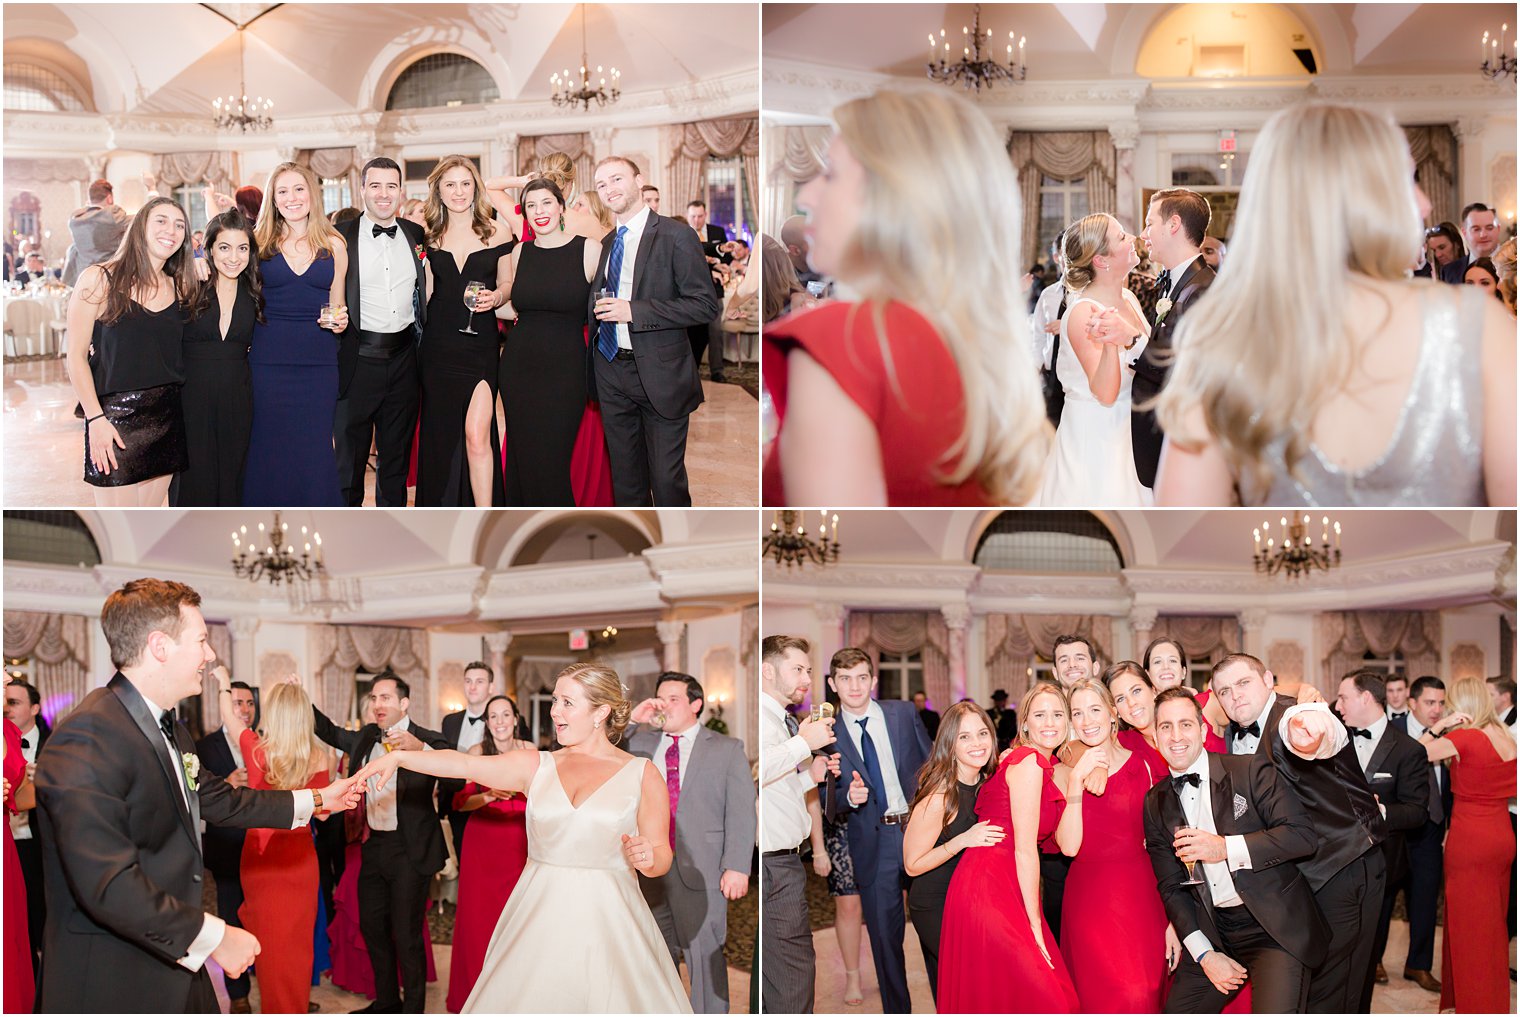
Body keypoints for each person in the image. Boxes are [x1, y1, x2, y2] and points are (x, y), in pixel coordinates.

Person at [1154, 102, 1517, 507]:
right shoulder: (1475, 327)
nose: (1425, 205)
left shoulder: (1221, 343)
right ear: (1359, 196)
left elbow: (1189, 532)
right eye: (1408, 180)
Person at [31, 578, 363, 1013]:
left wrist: (320, 799)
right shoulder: (89, 735)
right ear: (160, 646)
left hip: (175, 962)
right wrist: (215, 936)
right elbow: (106, 885)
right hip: (115, 975)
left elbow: (225, 800)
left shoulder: (173, 729)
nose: (209, 655)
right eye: (202, 640)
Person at [764, 85, 1049, 506]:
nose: (806, 196)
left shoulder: (842, 340)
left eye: (831, 174)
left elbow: (829, 553)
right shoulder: (979, 350)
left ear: (893, 196)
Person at [354, 662, 694, 1013]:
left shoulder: (641, 773)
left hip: (610, 918)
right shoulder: (537, 764)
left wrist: (649, 858)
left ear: (601, 711)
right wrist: (400, 760)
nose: (554, 711)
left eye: (566, 702)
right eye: (554, 700)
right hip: (539, 913)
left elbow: (660, 854)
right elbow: (464, 765)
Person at [1212, 652, 1386, 1012]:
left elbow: (1320, 733)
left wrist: (1312, 729)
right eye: (1225, 690)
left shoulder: (1298, 715)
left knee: (1339, 988)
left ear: (1268, 680)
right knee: (1310, 982)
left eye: (1243, 683)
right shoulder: (1231, 736)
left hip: (1344, 865)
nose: (1235, 696)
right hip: (1300, 875)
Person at [1143, 688, 1328, 1013]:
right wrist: (1204, 953)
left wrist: (1225, 848)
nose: (1176, 736)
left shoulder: (1249, 770)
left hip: (1273, 927)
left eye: (1185, 724)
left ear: (1202, 731)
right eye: (1165, 726)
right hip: (1213, 929)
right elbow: (1171, 887)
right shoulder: (1154, 802)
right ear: (1155, 737)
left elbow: (1302, 836)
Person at [311, 673, 450, 1014]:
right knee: (372, 927)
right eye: (374, 698)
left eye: (385, 698)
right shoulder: (365, 737)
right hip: (374, 847)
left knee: (406, 935)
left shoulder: (427, 739)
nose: (378, 705)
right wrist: (300, 698)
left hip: (410, 850)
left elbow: (456, 769)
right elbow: (329, 731)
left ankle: (413, 1009)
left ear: (404, 703)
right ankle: (388, 1001)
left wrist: (421, 749)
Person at [938, 682, 1080, 1012]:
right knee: (1044, 992)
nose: (1049, 723)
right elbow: (1025, 849)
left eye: (1057, 714)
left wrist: (1076, 780)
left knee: (1014, 995)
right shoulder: (1029, 761)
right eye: (1040, 715)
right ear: (1025, 722)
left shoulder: (1048, 767)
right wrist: (1035, 927)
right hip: (989, 885)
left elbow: (1068, 845)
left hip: (1009, 883)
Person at [590, 156, 720, 506]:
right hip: (611, 370)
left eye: (616, 179)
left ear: (639, 181)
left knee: (666, 481)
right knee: (626, 480)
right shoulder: (606, 244)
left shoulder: (676, 235)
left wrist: (635, 310)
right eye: (601, 184)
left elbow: (705, 305)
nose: (609, 189)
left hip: (661, 374)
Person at [627, 673, 757, 1014]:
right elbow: (601, 756)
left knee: (705, 958)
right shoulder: (640, 744)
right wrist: (631, 721)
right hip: (649, 869)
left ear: (695, 704)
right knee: (655, 957)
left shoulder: (727, 749)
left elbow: (741, 813)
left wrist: (737, 866)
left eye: (673, 698)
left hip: (705, 869)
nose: (664, 705)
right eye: (660, 698)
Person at [821, 648, 932, 1013]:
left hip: (918, 828)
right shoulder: (824, 732)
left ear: (873, 679)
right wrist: (848, 797)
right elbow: (825, 797)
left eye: (861, 677)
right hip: (874, 840)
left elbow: (933, 763)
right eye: (846, 678)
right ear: (832, 683)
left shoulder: (902, 713)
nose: (855, 686)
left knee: (936, 928)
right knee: (885, 938)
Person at [65, 196, 195, 507]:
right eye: (161, 221)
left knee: (146, 524)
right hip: (115, 418)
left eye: (180, 225)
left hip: (167, 417)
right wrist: (95, 419)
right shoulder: (99, 279)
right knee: (119, 527)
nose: (171, 230)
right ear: (140, 228)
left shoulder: (181, 286)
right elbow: (75, 356)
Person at [216, 673, 333, 1015]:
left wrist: (224, 680)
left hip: (262, 859)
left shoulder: (257, 751)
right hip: (299, 860)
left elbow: (228, 714)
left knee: (271, 948)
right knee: (296, 948)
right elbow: (323, 815)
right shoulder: (319, 758)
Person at [1053, 678, 1170, 1011]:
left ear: (1112, 712)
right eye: (1078, 713)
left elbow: (1161, 840)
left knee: (1145, 993)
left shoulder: (1146, 764)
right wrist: (1077, 779)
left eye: (1094, 709)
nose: (1087, 721)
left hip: (1143, 893)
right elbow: (1068, 847)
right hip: (1090, 898)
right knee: (1106, 994)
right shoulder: (1062, 772)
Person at [242, 161, 350, 506]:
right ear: (272, 199)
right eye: (283, 191)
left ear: (312, 194)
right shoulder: (256, 242)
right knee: (267, 445)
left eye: (299, 189)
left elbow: (338, 305)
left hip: (319, 363)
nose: (292, 198)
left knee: (315, 448)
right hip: (267, 362)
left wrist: (341, 321)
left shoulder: (334, 244)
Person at [1035, 211, 1153, 506]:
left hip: (1132, 431)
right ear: (1102, 260)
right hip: (1097, 438)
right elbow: (1105, 391)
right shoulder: (1082, 312)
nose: (1133, 239)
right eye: (1122, 237)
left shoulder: (1129, 299)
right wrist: (1113, 342)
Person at [414, 155, 513, 507]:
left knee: (476, 435)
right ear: (438, 190)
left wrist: (498, 295)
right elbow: (422, 291)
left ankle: (485, 515)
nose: (459, 191)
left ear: (476, 187)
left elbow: (506, 282)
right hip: (437, 349)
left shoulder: (497, 230)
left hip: (481, 346)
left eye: (465, 183)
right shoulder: (425, 234)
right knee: (441, 438)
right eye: (450, 184)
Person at [1416, 676, 1517, 1014]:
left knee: (1469, 925)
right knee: (1492, 922)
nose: (1444, 709)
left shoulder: (1466, 737)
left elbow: (1413, 755)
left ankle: (1477, 1005)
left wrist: (1440, 725)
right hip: (1502, 834)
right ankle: (1474, 999)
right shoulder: (1504, 736)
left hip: (1470, 837)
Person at [501, 177, 603, 505]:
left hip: (566, 370)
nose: (539, 211)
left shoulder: (588, 249)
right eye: (531, 206)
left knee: (553, 458)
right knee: (522, 453)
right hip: (518, 369)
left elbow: (603, 309)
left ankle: (560, 534)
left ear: (561, 207)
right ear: (525, 215)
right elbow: (514, 306)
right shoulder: (520, 252)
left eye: (546, 203)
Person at [333, 157, 426, 508]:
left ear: (401, 192)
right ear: (362, 190)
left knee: (396, 465)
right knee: (348, 467)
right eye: (375, 185)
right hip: (356, 361)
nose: (383, 194)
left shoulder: (415, 234)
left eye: (391, 186)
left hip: (404, 362)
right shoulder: (340, 237)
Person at [1332, 670, 1430, 997]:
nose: (1338, 704)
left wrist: (1382, 811)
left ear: (1365, 698)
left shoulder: (1408, 750)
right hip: (1332, 865)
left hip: (1381, 867)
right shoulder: (1332, 741)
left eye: (1344, 697)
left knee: (1368, 953)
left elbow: (1417, 811)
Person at [902, 701, 1000, 1003]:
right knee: (968, 981)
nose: (977, 743)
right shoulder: (940, 795)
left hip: (970, 898)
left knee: (958, 987)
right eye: (964, 737)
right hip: (936, 904)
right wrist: (962, 840)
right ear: (950, 744)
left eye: (982, 733)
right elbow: (912, 865)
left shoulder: (989, 784)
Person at [760, 635, 838, 1014]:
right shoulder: (762, 718)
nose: (807, 677)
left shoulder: (782, 719)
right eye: (798, 669)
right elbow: (756, 771)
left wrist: (812, 776)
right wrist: (803, 744)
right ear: (768, 671)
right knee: (793, 970)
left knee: (776, 970)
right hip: (774, 863)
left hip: (783, 860)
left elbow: (778, 788)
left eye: (808, 669)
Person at [445, 694, 531, 1013]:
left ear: (515, 719)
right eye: (492, 716)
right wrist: (487, 796)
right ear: (487, 722)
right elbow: (460, 804)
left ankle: (516, 998)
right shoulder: (477, 753)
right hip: (483, 843)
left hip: (520, 843)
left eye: (504, 715)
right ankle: (476, 996)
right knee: (480, 922)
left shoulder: (530, 752)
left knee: (519, 922)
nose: (499, 722)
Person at [170, 211, 260, 507]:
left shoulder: (257, 291)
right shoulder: (188, 283)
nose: (234, 257)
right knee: (194, 480)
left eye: (242, 248)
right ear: (208, 249)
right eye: (224, 247)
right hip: (190, 398)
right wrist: (188, 264)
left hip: (238, 398)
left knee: (235, 477)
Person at [1133, 188, 1215, 490]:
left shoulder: (1202, 289)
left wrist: (1132, 341)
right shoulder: (1175, 283)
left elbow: (1187, 372)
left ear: (1173, 225)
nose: (1143, 235)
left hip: (1181, 441)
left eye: (1149, 223)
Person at [194, 677, 258, 1013]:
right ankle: (239, 994)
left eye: (249, 703)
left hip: (264, 847)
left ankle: (272, 977)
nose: (245, 710)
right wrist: (226, 784)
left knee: (264, 916)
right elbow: (195, 796)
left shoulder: (262, 742)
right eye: (238, 703)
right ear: (224, 706)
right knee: (233, 917)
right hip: (228, 849)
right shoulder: (205, 747)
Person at [1386, 674, 1448, 992]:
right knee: (1383, 903)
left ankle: (1418, 965)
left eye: (1440, 703)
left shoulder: (1450, 736)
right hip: (1395, 831)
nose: (1436, 710)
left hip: (1431, 829)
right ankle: (1375, 962)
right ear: (1412, 703)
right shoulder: (1392, 734)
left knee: (1424, 900)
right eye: (1429, 703)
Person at [5, 680, 46, 977]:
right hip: (9, 843)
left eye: (16, 702)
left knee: (31, 925)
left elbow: (20, 798)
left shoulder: (55, 745)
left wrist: (44, 781)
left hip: (32, 846)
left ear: (34, 709)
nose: (9, 707)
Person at [439, 660, 497, 856]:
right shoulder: (450, 722)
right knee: (463, 861)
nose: (472, 687)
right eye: (468, 681)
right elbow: (445, 760)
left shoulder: (503, 721)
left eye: (479, 681)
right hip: (457, 805)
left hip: (492, 804)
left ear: (491, 687)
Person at [4, 718, 35, 1014]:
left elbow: (20, 794)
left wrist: (68, 781)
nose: (7, 677)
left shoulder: (7, 730)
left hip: (7, 852)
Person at [62, 178, 130, 285]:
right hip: (111, 280)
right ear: (109, 198)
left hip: (84, 281)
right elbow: (142, 220)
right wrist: (152, 190)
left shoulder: (75, 220)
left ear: (89, 200)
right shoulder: (111, 215)